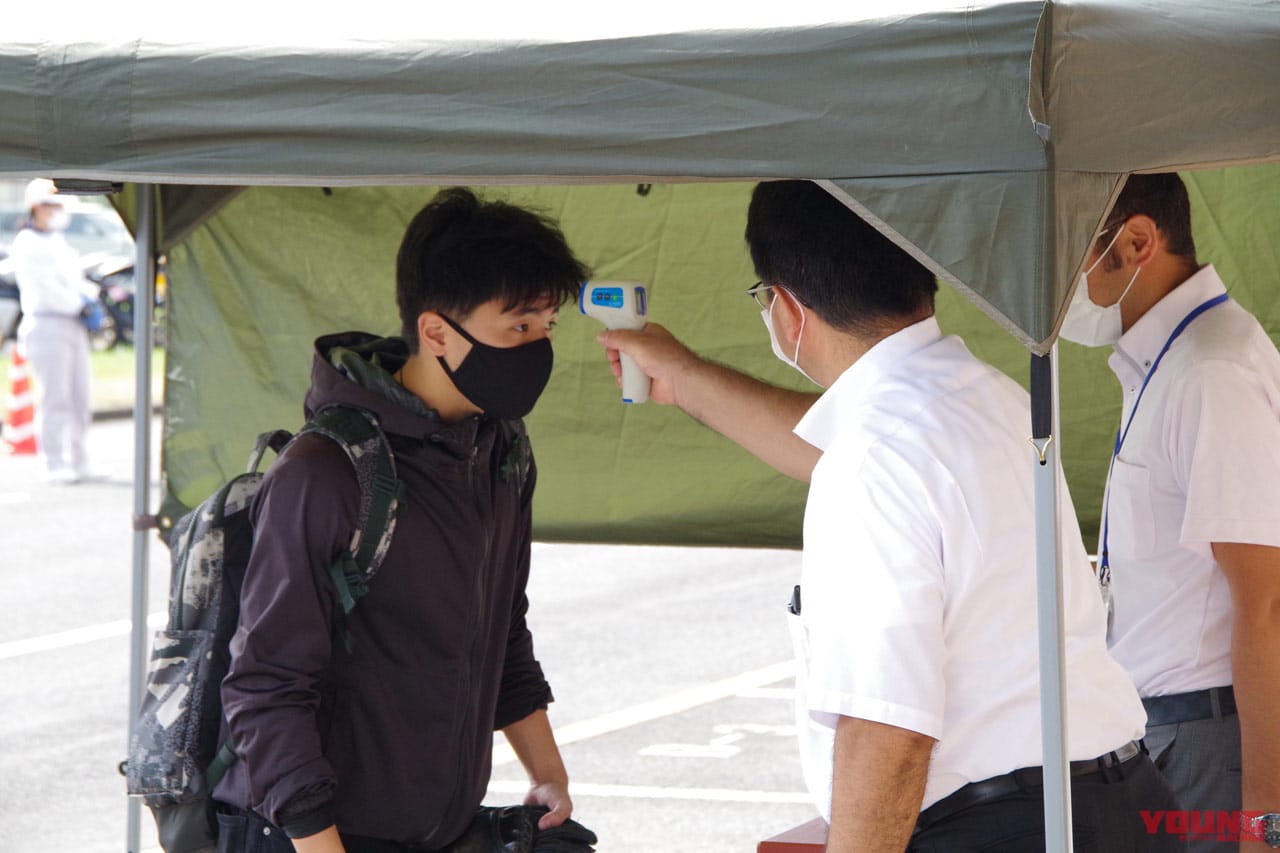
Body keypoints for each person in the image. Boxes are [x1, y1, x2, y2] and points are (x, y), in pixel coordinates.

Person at [596, 180, 1180, 851]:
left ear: (786, 310)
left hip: (1001, 828)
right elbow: (850, 448)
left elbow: (888, 731)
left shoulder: (872, 459)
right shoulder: (989, 397)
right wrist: (687, 378)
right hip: (1118, 806)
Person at [215, 188, 589, 853]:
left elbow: (500, 626)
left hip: (434, 831)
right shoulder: (324, 472)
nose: (536, 348)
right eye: (517, 327)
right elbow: (265, 687)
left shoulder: (500, 452)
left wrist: (549, 776)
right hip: (314, 837)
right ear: (436, 329)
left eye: (546, 326)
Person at [1059, 172, 1280, 850]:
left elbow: (1265, 603)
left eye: (1076, 251)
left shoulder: (1211, 370)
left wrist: (1264, 827)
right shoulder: (1169, 358)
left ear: (1136, 242)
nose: (1067, 283)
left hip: (1207, 740)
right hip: (1167, 734)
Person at [8, 178, 100, 483]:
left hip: (72, 324)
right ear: (37, 207)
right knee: (55, 397)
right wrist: (78, 303)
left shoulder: (58, 241)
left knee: (79, 395)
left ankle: (80, 458)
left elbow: (75, 280)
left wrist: (90, 296)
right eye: (51, 205)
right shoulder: (27, 242)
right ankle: (54, 461)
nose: (56, 211)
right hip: (47, 323)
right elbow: (45, 288)